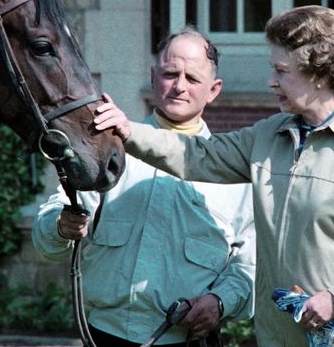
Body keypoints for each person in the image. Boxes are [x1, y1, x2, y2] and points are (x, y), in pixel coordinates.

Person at [93, 5, 334, 347]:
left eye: (281, 71)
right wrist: (128, 130)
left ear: (319, 73)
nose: (270, 81)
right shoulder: (268, 136)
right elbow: (198, 155)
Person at [32, 27, 256, 347]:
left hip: (185, 340)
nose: (179, 86)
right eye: (169, 73)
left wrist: (220, 302)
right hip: (101, 336)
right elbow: (48, 240)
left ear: (214, 89)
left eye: (192, 79)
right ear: (153, 77)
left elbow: (250, 264)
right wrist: (61, 226)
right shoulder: (108, 150)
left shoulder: (234, 171)